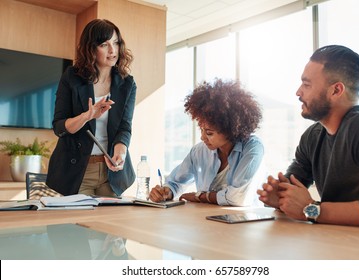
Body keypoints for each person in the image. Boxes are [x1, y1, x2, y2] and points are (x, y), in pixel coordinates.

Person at [258, 45, 359, 228]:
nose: (298, 92)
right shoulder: (312, 136)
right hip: (335, 244)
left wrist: (312, 209)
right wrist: (279, 197)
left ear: (336, 91)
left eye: (306, 85)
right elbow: (291, 191)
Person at [46, 19, 137, 197]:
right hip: (78, 171)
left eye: (116, 42)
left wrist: (121, 152)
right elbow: (59, 127)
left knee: (109, 224)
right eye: (104, 44)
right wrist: (87, 116)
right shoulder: (72, 77)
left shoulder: (127, 84)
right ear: (91, 49)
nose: (113, 50)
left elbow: (124, 127)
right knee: (78, 224)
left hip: (111, 173)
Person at [149, 79, 264, 206]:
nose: (202, 137)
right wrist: (166, 192)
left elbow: (237, 198)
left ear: (230, 129)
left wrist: (200, 196)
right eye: (201, 129)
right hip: (206, 221)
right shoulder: (199, 151)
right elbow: (175, 183)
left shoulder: (253, 148)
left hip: (246, 221)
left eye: (209, 133)